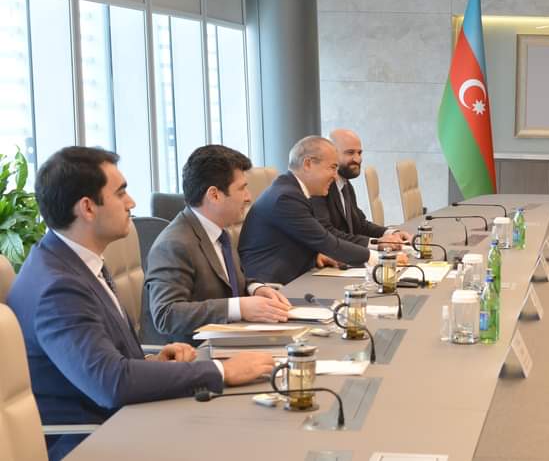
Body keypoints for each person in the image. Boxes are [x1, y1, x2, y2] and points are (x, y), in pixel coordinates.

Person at [6, 147, 273, 460]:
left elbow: (98, 363)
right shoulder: (58, 287)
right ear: (88, 208)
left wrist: (153, 362)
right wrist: (220, 370)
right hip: (92, 439)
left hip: (124, 419)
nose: (131, 203)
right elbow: (111, 383)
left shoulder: (73, 262)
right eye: (121, 193)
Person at [143, 145, 292, 345]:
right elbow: (167, 314)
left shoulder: (219, 232)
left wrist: (254, 288)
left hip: (231, 340)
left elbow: (228, 282)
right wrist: (239, 308)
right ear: (214, 195)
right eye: (242, 188)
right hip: (198, 353)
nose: (248, 197)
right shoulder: (174, 244)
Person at [239, 136, 399, 284]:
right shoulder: (286, 198)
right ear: (308, 164)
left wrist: (314, 256)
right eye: (332, 168)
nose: (335, 176)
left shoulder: (293, 190)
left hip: (296, 276)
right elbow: (325, 241)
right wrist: (379, 259)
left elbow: (297, 241)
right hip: (272, 286)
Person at [312, 129, 411, 249]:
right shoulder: (319, 188)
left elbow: (360, 224)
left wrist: (391, 233)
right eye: (350, 153)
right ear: (331, 155)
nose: (358, 159)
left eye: (359, 153)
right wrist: (376, 243)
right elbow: (328, 233)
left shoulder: (345, 184)